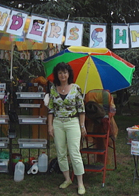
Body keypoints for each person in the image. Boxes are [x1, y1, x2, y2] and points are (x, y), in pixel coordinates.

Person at [47, 62, 87, 195]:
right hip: (58, 123)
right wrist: (50, 126)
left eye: (65, 72)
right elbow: (51, 109)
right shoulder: (53, 89)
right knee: (61, 152)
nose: (62, 75)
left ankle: (80, 183)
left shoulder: (76, 88)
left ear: (69, 74)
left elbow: (81, 110)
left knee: (74, 152)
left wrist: (82, 126)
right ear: (57, 75)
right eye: (60, 73)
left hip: (72, 123)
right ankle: (67, 179)